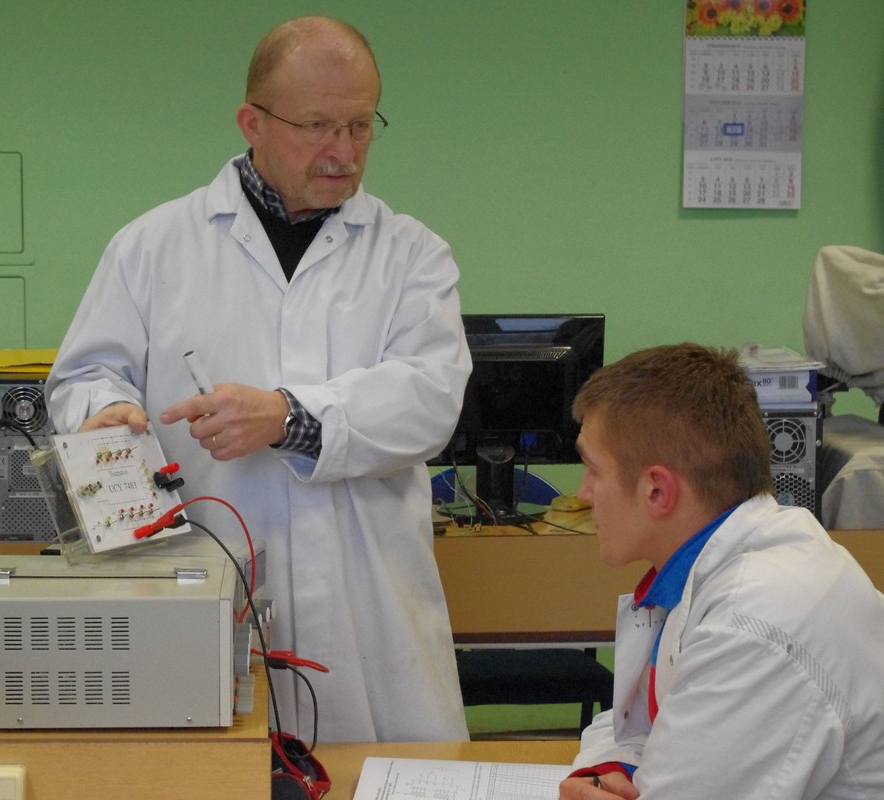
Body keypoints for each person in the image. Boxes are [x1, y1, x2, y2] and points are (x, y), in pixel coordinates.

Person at [46, 15, 471, 743]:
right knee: (209, 769)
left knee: (379, 776)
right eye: (318, 126)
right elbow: (84, 375)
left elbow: (430, 400)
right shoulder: (153, 247)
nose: (344, 151)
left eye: (361, 126)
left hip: (369, 613)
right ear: (253, 123)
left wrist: (289, 416)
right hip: (199, 592)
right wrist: (106, 412)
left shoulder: (411, 255)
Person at [559, 343, 884, 799]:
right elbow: (634, 725)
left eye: (593, 470)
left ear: (657, 491)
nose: (583, 494)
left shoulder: (753, 624)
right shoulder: (725, 561)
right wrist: (601, 775)